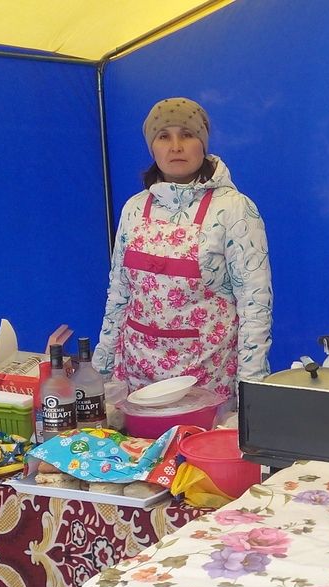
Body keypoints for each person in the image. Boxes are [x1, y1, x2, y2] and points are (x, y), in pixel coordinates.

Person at [94, 97, 272, 402]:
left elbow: (255, 307)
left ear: (202, 143)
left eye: (187, 135)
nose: (176, 146)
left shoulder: (234, 209)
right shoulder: (134, 209)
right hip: (136, 384)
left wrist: (251, 395)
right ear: (152, 147)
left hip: (205, 384)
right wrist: (100, 373)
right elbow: (119, 294)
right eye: (164, 136)